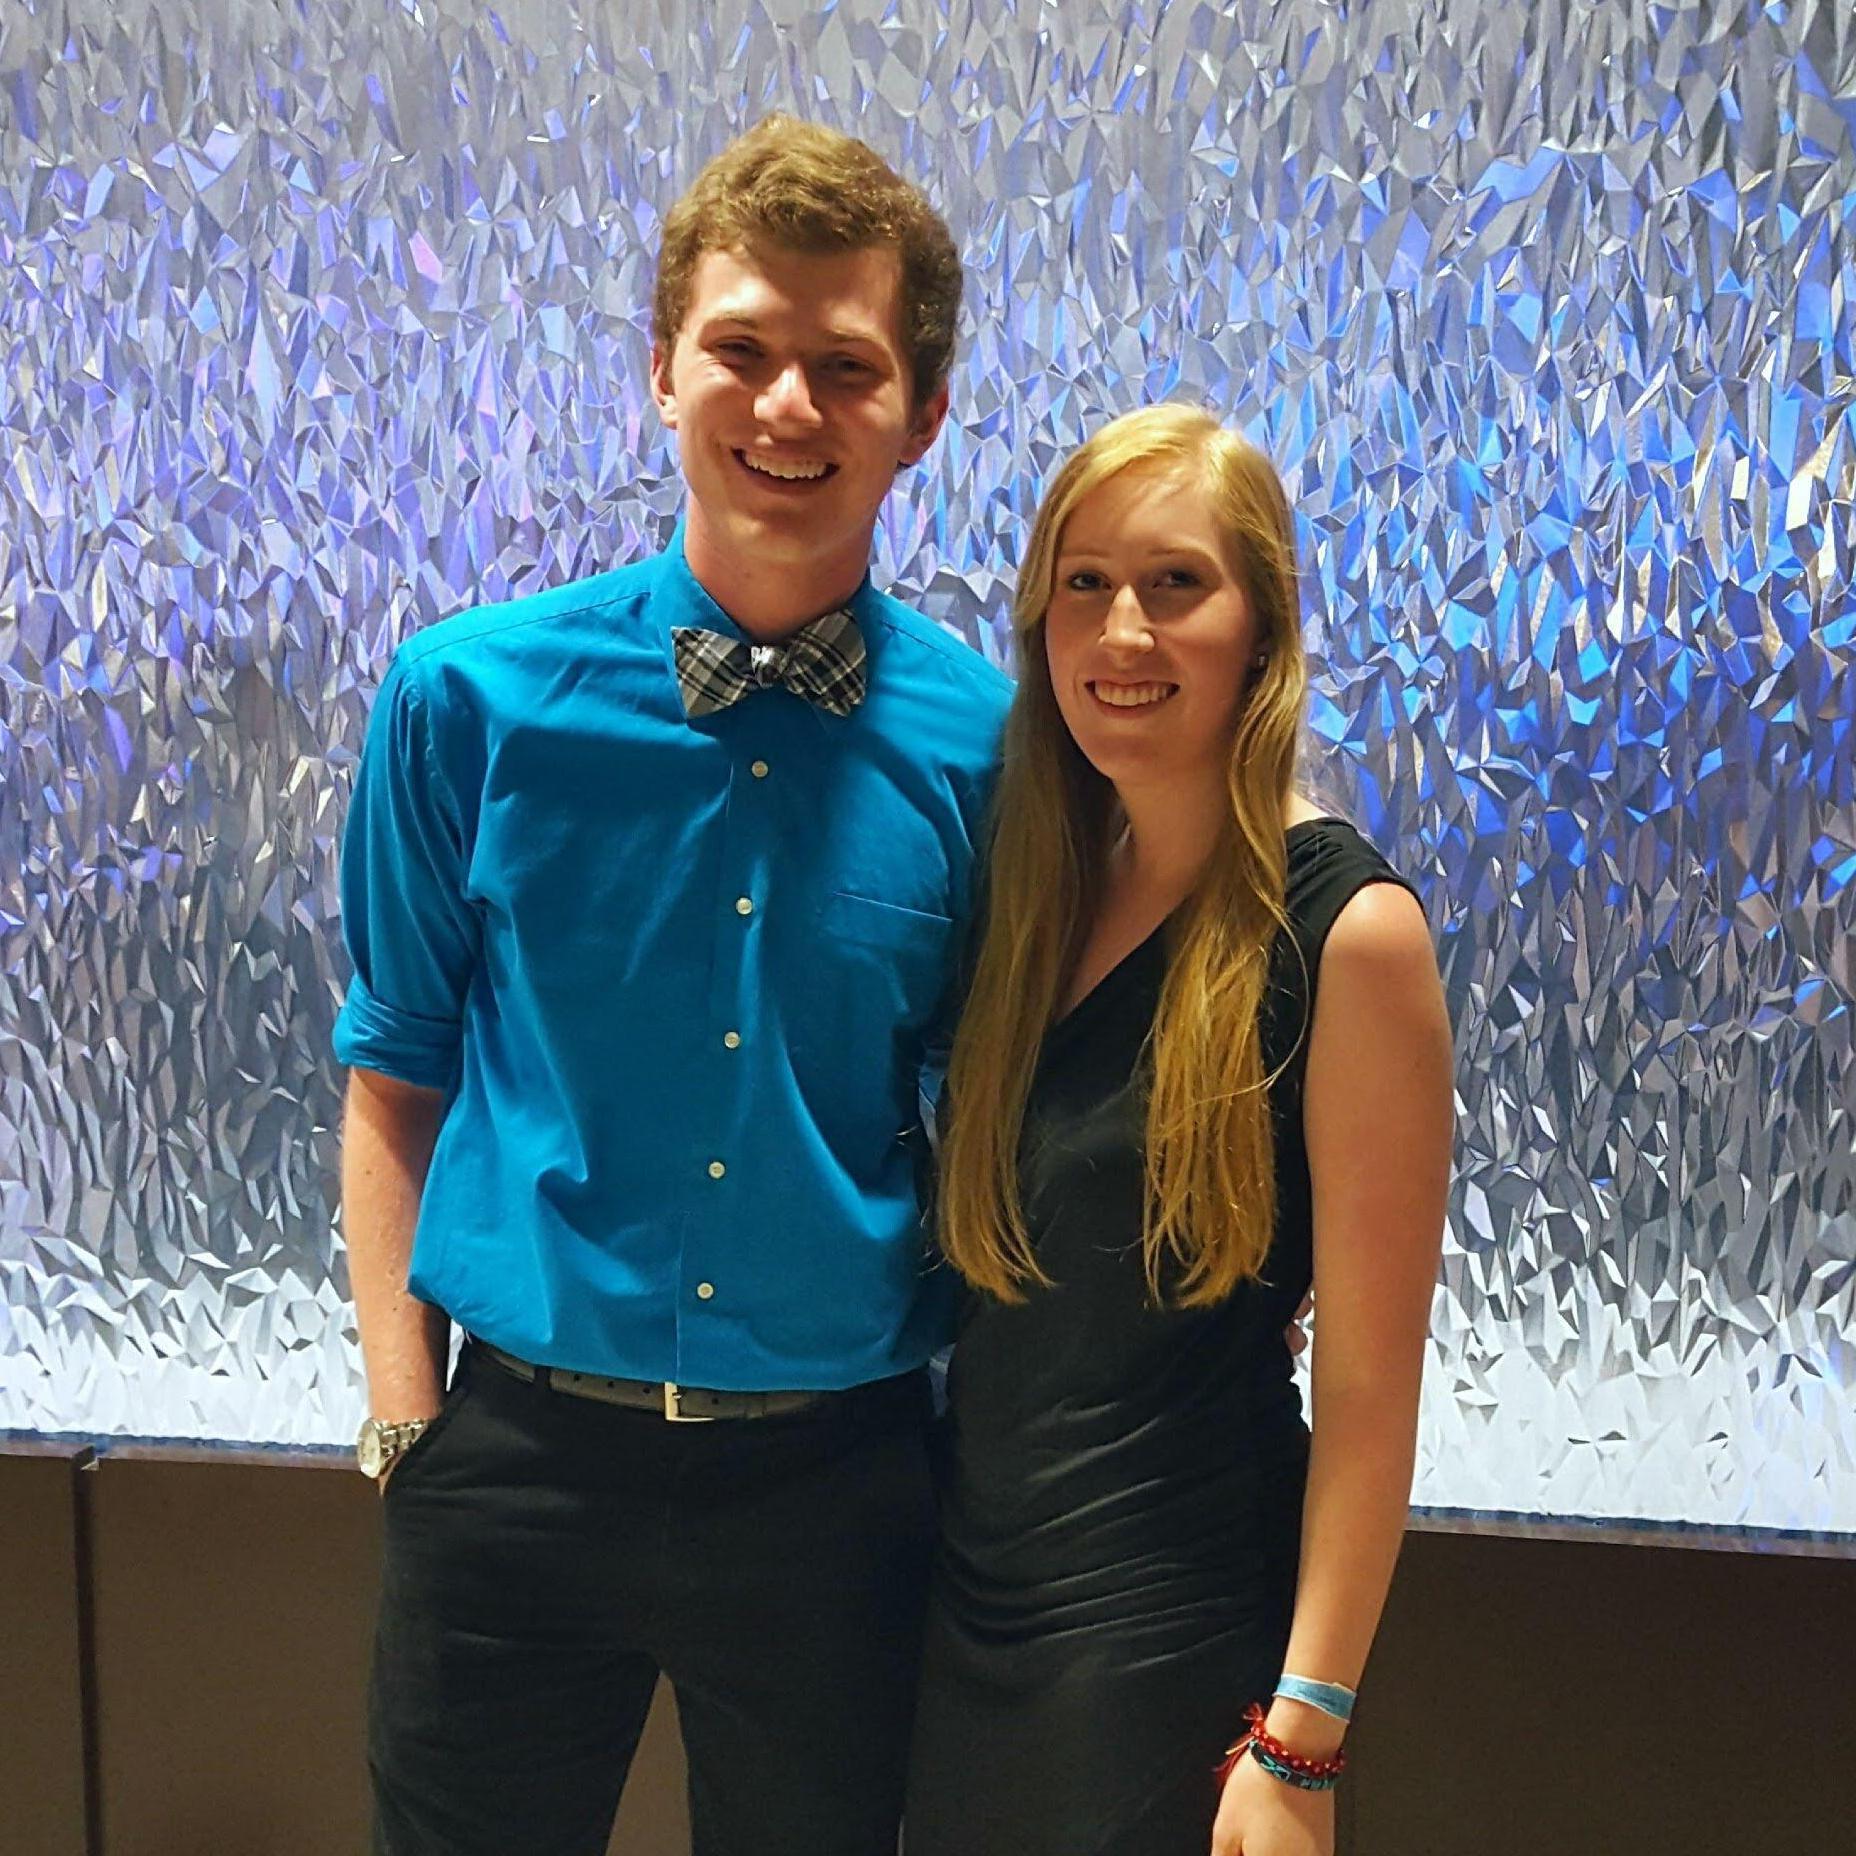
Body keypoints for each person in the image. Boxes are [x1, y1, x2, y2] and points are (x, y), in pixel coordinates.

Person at [333, 116, 1011, 1856]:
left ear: (924, 414)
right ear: (661, 372)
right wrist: (408, 1425)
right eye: (742, 348)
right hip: (513, 1470)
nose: (788, 404)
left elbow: (1020, 1112)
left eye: (846, 365)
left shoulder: (998, 754)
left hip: (839, 1490)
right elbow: (397, 1070)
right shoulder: (464, 702)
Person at [904, 404, 1454, 1856]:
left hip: (1176, 1647)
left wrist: (1301, 1742)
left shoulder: (1347, 934)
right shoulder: (1042, 897)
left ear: (1261, 628)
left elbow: (1371, 1395)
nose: (1124, 631)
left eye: (1175, 584)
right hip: (969, 1622)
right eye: (1084, 583)